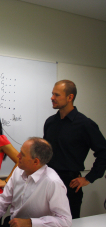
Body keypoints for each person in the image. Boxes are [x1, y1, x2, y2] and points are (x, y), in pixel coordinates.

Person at [44, 80, 106, 219]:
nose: (52, 97)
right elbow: (44, 153)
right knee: (45, 221)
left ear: (70, 97)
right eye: (52, 94)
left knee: (68, 222)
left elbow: (104, 152)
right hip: (47, 181)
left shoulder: (85, 124)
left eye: (57, 94)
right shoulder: (50, 122)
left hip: (69, 185)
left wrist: (88, 178)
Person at [0, 137, 72, 227]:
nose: (18, 156)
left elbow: (65, 221)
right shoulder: (18, 170)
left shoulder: (52, 182)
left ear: (36, 161)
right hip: (13, 223)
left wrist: (31, 223)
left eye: (22, 154)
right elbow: (2, 203)